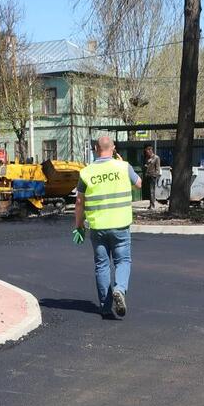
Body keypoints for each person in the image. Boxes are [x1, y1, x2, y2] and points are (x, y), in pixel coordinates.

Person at [73, 135, 141, 318]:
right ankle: (119, 289)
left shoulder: (86, 172)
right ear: (114, 148)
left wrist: (79, 226)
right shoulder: (123, 167)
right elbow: (138, 184)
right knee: (123, 261)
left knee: (102, 265)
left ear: (95, 149)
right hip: (120, 225)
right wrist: (123, 164)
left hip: (98, 227)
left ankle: (105, 306)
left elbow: (79, 202)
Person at [142, 144, 161, 210]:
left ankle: (152, 205)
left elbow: (158, 169)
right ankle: (151, 204)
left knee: (152, 191)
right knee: (149, 191)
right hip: (147, 176)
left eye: (147, 151)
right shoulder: (146, 158)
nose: (146, 152)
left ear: (150, 150)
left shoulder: (156, 158)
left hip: (153, 176)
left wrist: (155, 175)